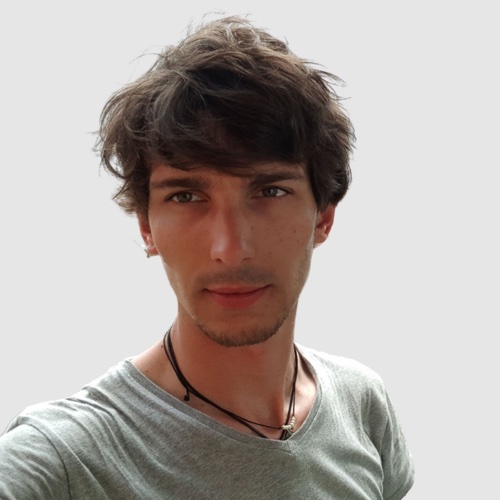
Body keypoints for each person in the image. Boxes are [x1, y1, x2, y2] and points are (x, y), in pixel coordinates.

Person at [0, 16, 414, 499]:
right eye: (185, 196)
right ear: (146, 227)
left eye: (270, 191)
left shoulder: (361, 403)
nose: (230, 249)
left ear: (323, 217)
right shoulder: (66, 458)